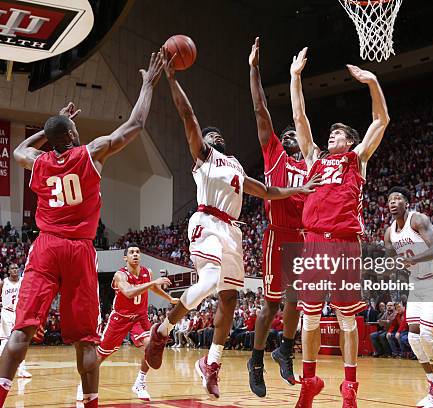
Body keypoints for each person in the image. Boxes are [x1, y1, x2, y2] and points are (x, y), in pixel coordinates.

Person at [0, 49, 165, 408]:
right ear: (72, 133)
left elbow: (20, 149)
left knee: (21, 332)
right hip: (80, 249)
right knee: (85, 339)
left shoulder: (38, 162)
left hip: (47, 246)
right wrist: (147, 84)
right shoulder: (91, 152)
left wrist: (48, 130)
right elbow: (135, 126)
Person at [144, 51, 319, 400]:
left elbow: (267, 190)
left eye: (219, 136)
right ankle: (161, 330)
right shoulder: (204, 158)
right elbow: (188, 116)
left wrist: (295, 190)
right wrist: (173, 80)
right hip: (207, 220)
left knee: (229, 299)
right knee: (209, 281)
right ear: (203, 144)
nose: (216, 137)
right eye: (211, 136)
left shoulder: (236, 166)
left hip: (232, 231)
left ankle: (212, 363)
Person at [290, 47, 390, 407]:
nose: (331, 136)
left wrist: (373, 81)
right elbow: (300, 117)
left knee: (348, 322)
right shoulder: (314, 159)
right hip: (314, 242)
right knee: (310, 320)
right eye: (329, 134)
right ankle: (310, 381)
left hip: (346, 244)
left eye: (337, 134)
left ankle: (349, 387)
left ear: (349, 141)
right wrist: (295, 77)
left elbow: (381, 121)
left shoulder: (356, 159)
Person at [247, 37, 306, 397]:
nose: (286, 137)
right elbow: (260, 110)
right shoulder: (275, 156)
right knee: (270, 304)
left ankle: (284, 350)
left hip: (303, 236)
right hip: (278, 235)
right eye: (282, 136)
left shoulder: (311, 163)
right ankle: (255, 359)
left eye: (291, 135)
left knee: (297, 299)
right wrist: (253, 70)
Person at [384, 187, 433, 407]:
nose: (393, 202)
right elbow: (391, 261)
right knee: (413, 338)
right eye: (389, 200)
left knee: (427, 335)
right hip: (418, 282)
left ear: (406, 203)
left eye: (398, 199)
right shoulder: (389, 233)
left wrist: (412, 260)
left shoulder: (418, 220)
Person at [76, 244, 176, 402]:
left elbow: (153, 289)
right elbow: (129, 293)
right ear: (125, 258)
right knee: (101, 355)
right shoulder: (119, 275)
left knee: (151, 347)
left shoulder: (147, 272)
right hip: (120, 319)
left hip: (139, 317)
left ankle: (140, 383)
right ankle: (85, 383)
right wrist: (152, 283)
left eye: (137, 252)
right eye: (131, 252)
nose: (135, 254)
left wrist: (169, 298)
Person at [0, 264, 30, 378]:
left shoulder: (23, 281)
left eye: (16, 268)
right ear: (8, 271)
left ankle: (22, 370)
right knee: (5, 341)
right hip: (7, 313)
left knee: (21, 341)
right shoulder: (3, 283)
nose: (15, 270)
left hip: (20, 313)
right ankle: (1, 366)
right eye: (12, 268)